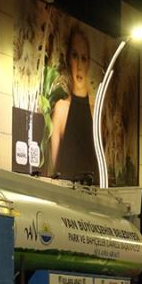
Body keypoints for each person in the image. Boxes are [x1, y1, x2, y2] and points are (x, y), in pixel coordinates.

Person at [49, 25, 99, 184]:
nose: (79, 65)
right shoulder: (61, 108)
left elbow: (99, 160)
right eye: (75, 56)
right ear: (68, 59)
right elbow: (54, 165)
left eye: (83, 58)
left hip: (92, 195)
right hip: (63, 195)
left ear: (89, 62)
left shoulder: (96, 110)